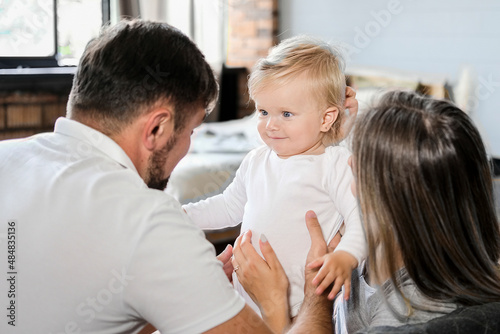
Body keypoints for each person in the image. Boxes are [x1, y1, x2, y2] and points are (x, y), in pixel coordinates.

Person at [0, 19, 340, 334]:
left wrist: (183, 294)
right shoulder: (149, 221)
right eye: (191, 131)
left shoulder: (6, 156)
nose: (189, 147)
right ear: (158, 127)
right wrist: (312, 297)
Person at [233, 90, 500, 333]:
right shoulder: (363, 247)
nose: (349, 159)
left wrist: (273, 304)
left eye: (360, 157)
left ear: (389, 194)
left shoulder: (408, 315)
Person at [183, 35, 367, 318]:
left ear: (326, 118)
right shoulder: (256, 159)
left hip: (298, 307)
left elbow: (359, 220)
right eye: (263, 111)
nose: (271, 125)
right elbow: (229, 206)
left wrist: (346, 255)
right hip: (245, 295)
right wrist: (181, 214)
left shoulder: (333, 163)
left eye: (286, 114)